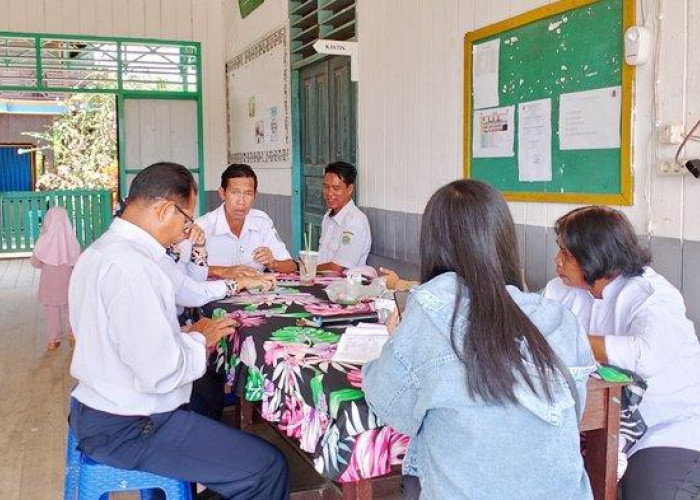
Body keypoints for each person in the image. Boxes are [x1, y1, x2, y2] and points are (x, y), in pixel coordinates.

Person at [69, 162, 289, 499]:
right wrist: (201, 339)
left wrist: (185, 336)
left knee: (209, 411)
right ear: (163, 210)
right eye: (185, 219)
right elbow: (160, 373)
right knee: (268, 467)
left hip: (101, 407)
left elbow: (122, 342)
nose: (185, 230)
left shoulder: (101, 251)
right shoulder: (135, 268)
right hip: (132, 423)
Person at [363, 180, 594, 499]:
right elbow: (573, 412)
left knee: (417, 466)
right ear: (504, 240)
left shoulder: (430, 309)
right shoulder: (560, 319)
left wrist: (395, 340)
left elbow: (390, 405)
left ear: (433, 242)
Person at [543, 206, 700, 500]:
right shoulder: (558, 291)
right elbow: (531, 330)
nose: (557, 261)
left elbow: (646, 355)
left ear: (595, 256)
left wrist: (569, 339)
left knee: (650, 492)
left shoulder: (652, 297)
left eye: (566, 253)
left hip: (666, 427)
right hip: (592, 422)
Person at [190, 163, 296, 275]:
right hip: (214, 291)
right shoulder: (202, 227)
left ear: (255, 195)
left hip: (257, 290)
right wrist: (224, 271)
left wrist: (272, 263)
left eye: (248, 194)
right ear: (222, 194)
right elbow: (185, 271)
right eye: (234, 193)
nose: (241, 201)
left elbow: (291, 265)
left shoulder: (262, 222)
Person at [30, 206, 81, 351]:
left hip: (49, 285)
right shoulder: (72, 241)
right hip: (67, 284)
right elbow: (77, 261)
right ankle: (74, 333)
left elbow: (35, 262)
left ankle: (53, 340)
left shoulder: (43, 243)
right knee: (70, 309)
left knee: (51, 311)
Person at [317, 161, 371, 273]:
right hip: (321, 281)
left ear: (350, 189)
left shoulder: (355, 221)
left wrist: (306, 268)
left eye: (336, 188)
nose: (329, 193)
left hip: (344, 286)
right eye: (326, 187)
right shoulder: (328, 216)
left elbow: (337, 268)